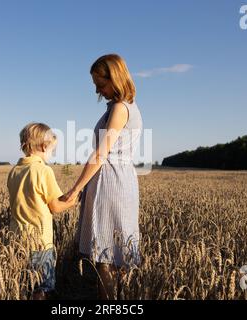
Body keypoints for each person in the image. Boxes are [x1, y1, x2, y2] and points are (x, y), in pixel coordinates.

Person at [62, 54, 143, 299]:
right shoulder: (130, 107)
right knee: (117, 252)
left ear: (115, 79)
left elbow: (99, 154)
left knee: (105, 255)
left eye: (101, 83)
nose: (97, 90)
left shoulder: (119, 109)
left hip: (111, 181)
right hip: (122, 178)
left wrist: (75, 189)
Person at [7, 122, 77, 300]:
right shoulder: (43, 171)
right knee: (40, 288)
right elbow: (55, 206)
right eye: (52, 150)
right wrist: (75, 200)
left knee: (23, 285)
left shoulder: (14, 171)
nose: (52, 154)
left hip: (17, 241)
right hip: (40, 242)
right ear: (45, 146)